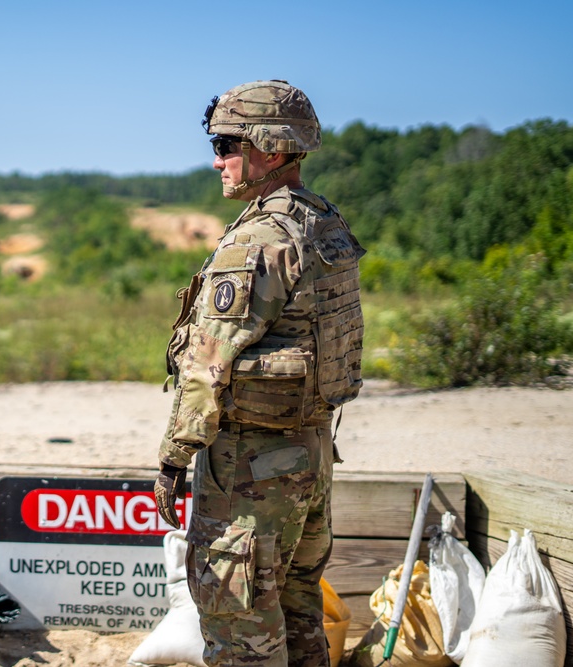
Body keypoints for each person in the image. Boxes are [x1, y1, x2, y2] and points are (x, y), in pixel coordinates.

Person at [154, 80, 365, 667]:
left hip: (250, 476)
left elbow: (206, 368)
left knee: (240, 629)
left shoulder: (258, 241)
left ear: (270, 150)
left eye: (226, 143)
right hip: (311, 460)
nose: (216, 159)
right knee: (301, 627)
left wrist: (173, 459)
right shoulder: (323, 222)